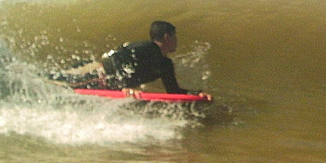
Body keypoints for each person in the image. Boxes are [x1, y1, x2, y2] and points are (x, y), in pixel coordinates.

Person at [49, 21, 212, 101]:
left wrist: (196, 94)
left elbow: (173, 91)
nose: (177, 40)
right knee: (57, 82)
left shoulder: (166, 65)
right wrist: (124, 86)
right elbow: (117, 56)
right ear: (167, 37)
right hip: (97, 72)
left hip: (108, 83)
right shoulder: (147, 47)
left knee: (61, 86)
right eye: (175, 36)